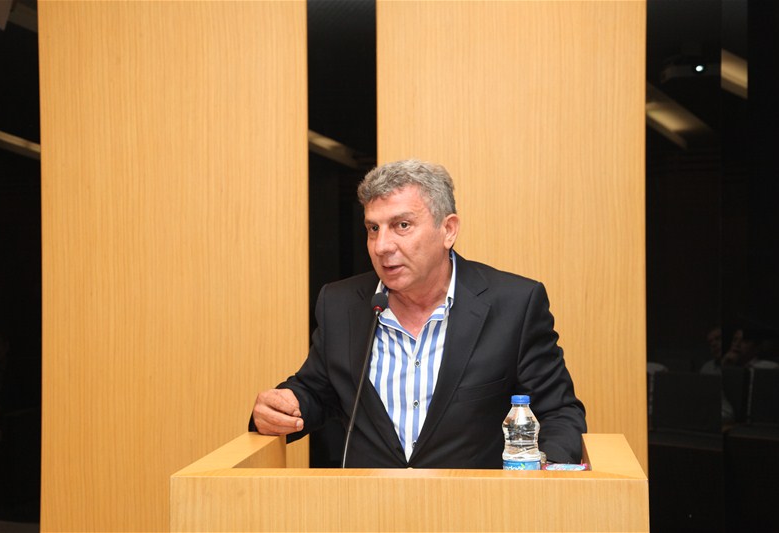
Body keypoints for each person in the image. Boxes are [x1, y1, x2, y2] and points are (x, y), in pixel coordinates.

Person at [250, 159, 586, 468]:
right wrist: (281, 407)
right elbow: (318, 392)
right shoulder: (341, 304)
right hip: (368, 504)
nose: (382, 246)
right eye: (373, 228)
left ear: (448, 230)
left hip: (477, 506)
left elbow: (559, 414)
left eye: (402, 225)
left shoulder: (514, 304)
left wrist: (539, 483)